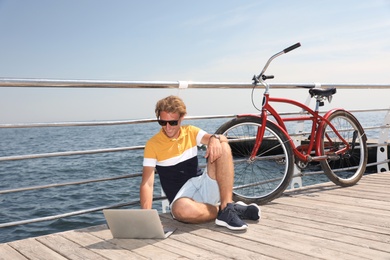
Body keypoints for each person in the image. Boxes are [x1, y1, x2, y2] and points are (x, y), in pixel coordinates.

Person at [140, 95, 260, 230]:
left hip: (203, 185)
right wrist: (146, 218)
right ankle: (225, 209)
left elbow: (223, 139)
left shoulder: (190, 131)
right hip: (182, 199)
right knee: (182, 210)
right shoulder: (152, 144)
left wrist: (214, 138)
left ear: (181, 118)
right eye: (163, 122)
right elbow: (147, 183)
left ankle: (227, 206)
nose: (167, 127)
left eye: (173, 122)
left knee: (223, 146)